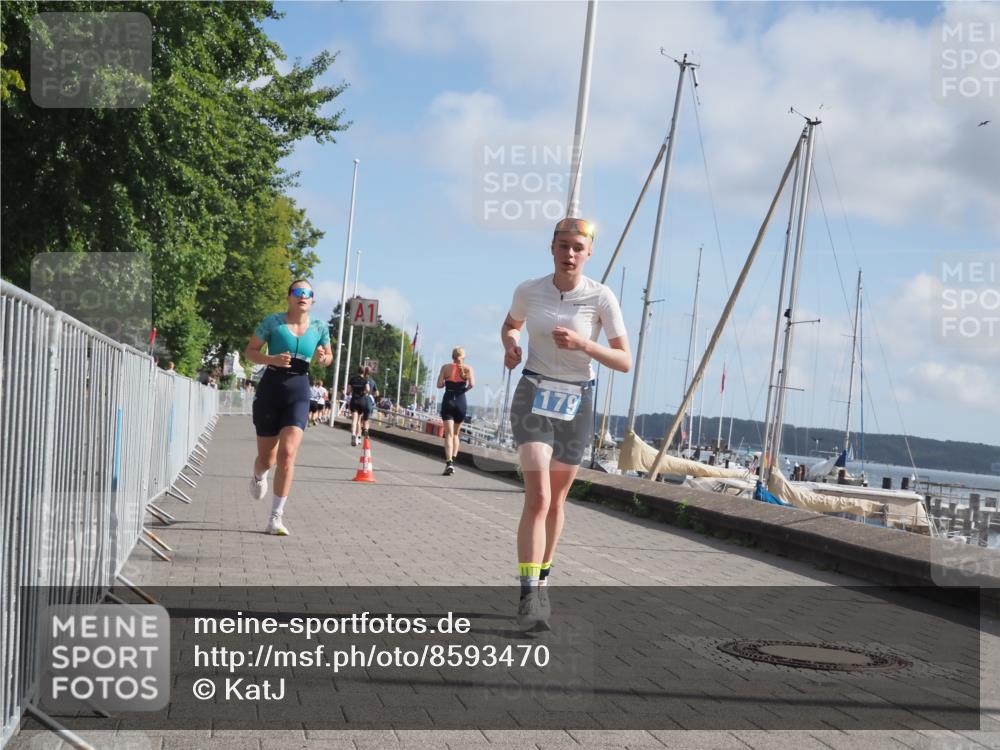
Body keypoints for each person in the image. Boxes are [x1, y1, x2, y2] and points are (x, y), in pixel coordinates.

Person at [501, 217, 631, 628]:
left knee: (557, 501)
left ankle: (543, 580)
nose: (569, 253)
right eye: (562, 245)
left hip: (579, 398)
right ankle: (528, 596)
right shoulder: (529, 290)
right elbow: (511, 325)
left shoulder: (601, 297)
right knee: (537, 497)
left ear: (589, 252)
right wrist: (511, 345)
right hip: (534, 392)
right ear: (551, 248)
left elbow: (625, 361)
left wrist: (584, 345)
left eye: (577, 247)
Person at [244, 280, 333, 536]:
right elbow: (250, 351)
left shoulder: (319, 327)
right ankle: (259, 475)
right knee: (267, 459)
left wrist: (323, 358)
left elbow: (328, 357)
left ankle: (276, 517)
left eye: (308, 293)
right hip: (271, 388)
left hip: (299, 390)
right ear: (289, 297)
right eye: (298, 292)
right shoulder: (273, 321)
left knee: (288, 454)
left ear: (312, 300)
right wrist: (271, 358)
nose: (302, 296)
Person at [436, 347, 475, 476]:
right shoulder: (468, 369)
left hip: (448, 400)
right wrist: (462, 390)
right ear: (463, 357)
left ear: (452, 356)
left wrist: (448, 383)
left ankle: (449, 463)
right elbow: (472, 385)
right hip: (460, 401)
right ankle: (453, 461)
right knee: (456, 435)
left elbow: (439, 385)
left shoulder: (445, 367)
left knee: (448, 435)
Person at [346, 366, 371, 446]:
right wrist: (363, 392)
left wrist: (349, 392)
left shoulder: (352, 379)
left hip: (354, 400)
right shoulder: (365, 380)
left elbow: (348, 391)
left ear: (357, 371)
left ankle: (353, 434)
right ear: (363, 372)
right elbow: (368, 389)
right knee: (359, 420)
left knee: (354, 420)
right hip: (361, 401)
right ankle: (357, 437)